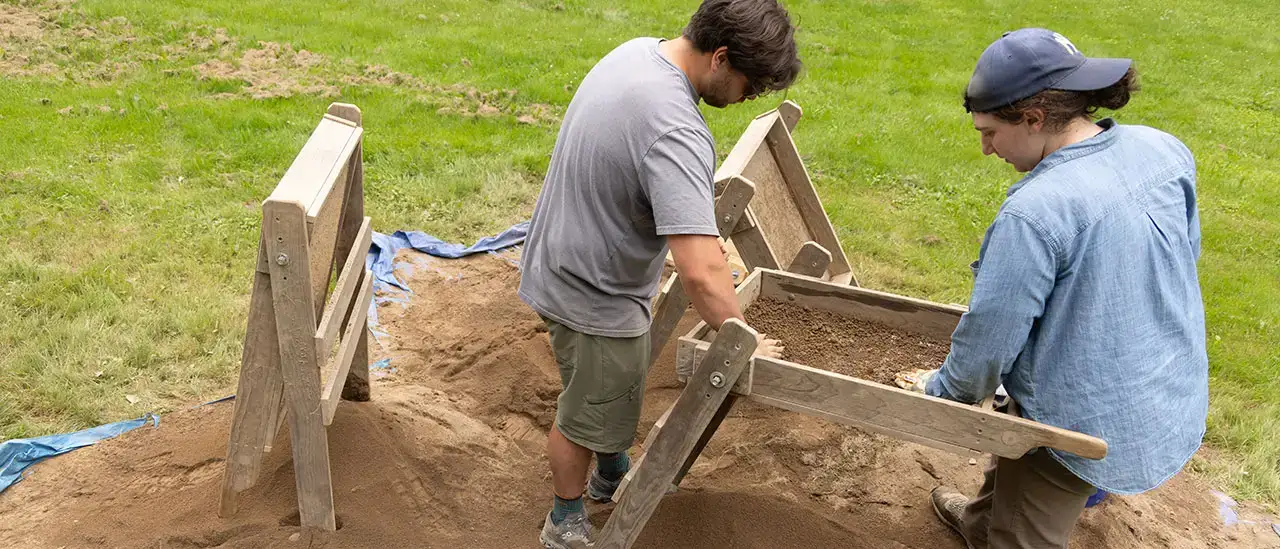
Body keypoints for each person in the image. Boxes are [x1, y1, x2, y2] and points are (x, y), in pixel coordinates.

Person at [898, 28, 1209, 549]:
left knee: (1025, 527)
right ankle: (981, 524)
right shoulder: (1163, 150)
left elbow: (989, 342)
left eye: (991, 131)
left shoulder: (1035, 212)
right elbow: (1181, 260)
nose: (984, 148)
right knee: (1016, 457)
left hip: (1089, 419)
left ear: (1035, 118)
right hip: (1168, 389)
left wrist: (942, 393)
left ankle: (1006, 534)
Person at [516, 1, 800, 547]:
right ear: (721, 58)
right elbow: (701, 271)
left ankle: (610, 473)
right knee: (587, 411)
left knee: (606, 388)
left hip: (560, 256)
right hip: (593, 291)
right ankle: (565, 521)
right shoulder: (675, 129)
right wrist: (745, 339)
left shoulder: (639, 53)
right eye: (751, 84)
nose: (748, 99)